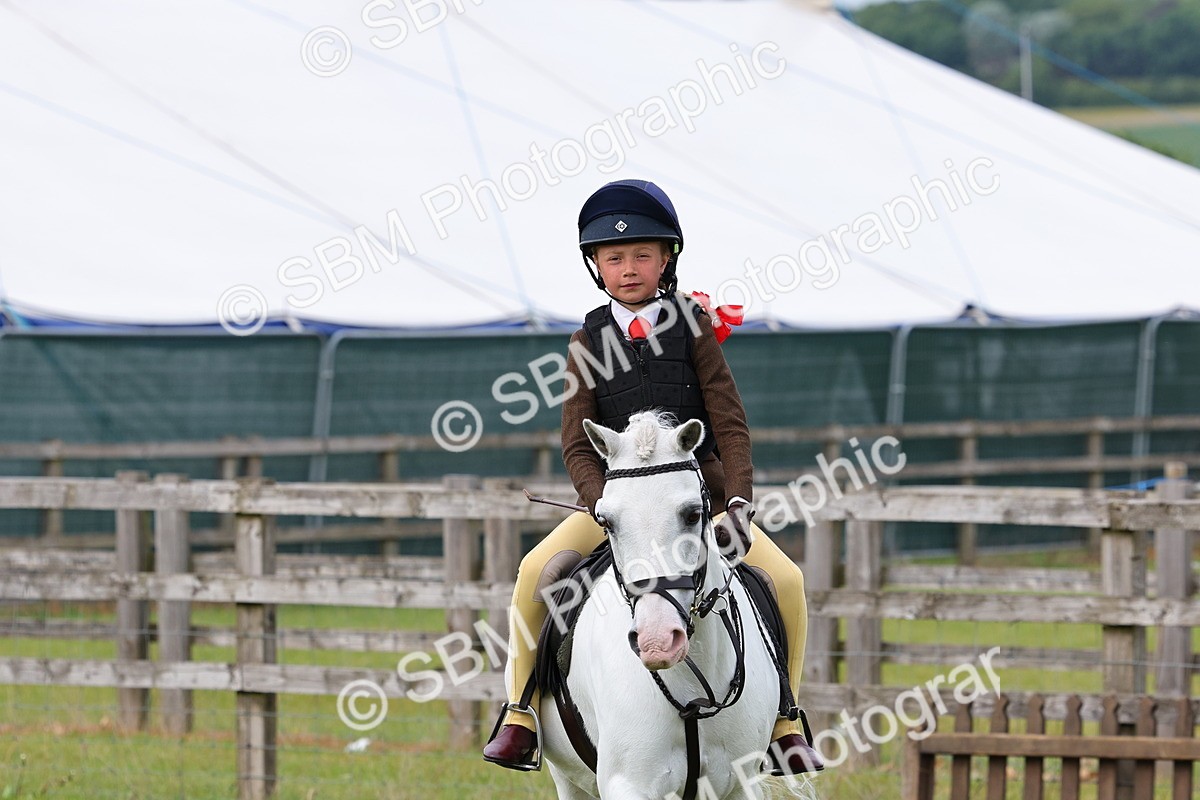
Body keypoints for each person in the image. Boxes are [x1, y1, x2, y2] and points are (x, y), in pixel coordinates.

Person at [483, 179, 822, 775]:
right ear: (596, 265)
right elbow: (576, 442)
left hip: (699, 503)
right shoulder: (586, 343)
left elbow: (730, 424)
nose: (628, 268)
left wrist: (737, 503)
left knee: (787, 581)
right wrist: (602, 502)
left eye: (642, 255)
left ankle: (786, 721)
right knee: (535, 573)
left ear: (666, 259)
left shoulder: (694, 328)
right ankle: (520, 714)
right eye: (614, 258)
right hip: (619, 508)